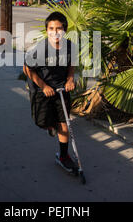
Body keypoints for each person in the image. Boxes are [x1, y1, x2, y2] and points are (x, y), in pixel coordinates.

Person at [23, 12, 78, 173]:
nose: (55, 32)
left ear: (65, 30)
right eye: (51, 28)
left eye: (59, 28)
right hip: (42, 88)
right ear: (46, 30)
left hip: (61, 88)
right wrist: (44, 86)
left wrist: (70, 79)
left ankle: (63, 156)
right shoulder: (40, 49)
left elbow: (72, 64)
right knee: (42, 121)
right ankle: (50, 125)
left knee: (65, 124)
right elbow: (27, 69)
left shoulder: (70, 47)